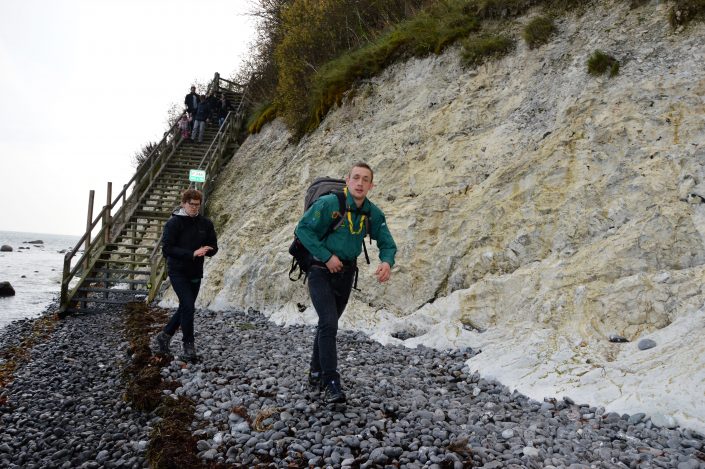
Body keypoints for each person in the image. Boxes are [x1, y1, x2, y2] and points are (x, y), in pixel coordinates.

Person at [295, 162, 397, 404]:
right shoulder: (329, 204)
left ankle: (315, 371)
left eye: (365, 179)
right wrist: (326, 256)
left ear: (371, 186)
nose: (360, 183)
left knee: (327, 324)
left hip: (346, 273)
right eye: (356, 178)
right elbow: (303, 229)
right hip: (320, 269)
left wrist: (386, 262)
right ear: (347, 180)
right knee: (329, 323)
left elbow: (387, 242)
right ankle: (331, 381)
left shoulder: (372, 213)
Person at [155, 189, 218, 362]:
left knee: (185, 306)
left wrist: (208, 250)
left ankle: (164, 336)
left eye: (197, 204)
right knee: (188, 306)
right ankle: (188, 346)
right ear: (183, 203)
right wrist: (192, 253)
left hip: (195, 272)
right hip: (177, 271)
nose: (194, 207)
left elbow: (214, 246)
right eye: (191, 204)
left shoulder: (205, 223)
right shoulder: (174, 223)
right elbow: (167, 249)